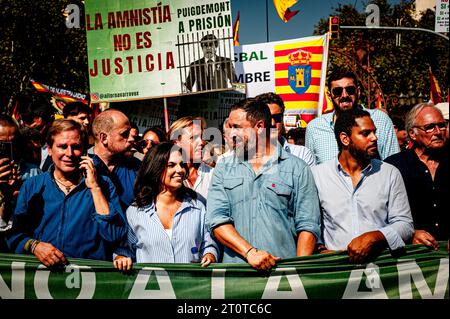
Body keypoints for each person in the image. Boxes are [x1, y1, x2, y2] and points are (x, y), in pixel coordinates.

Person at [206, 98, 321, 270]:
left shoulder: (297, 168)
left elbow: (308, 226)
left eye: (236, 127)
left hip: (282, 280)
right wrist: (250, 252)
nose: (230, 134)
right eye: (229, 127)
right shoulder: (223, 168)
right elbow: (216, 221)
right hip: (237, 278)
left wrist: (297, 273)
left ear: (259, 127)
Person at [5, 119, 126, 265]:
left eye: (75, 147)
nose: (69, 153)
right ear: (49, 149)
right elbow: (14, 235)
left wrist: (95, 188)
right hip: (42, 279)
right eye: (62, 146)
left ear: (84, 150)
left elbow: (115, 235)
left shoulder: (104, 184)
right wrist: (34, 246)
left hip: (89, 280)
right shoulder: (32, 186)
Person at [311, 108, 414, 263]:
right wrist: (320, 249)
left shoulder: (389, 173)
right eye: (365, 133)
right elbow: (310, 224)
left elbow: (405, 225)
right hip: (335, 272)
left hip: (381, 268)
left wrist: (375, 236)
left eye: (374, 132)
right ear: (345, 139)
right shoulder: (317, 176)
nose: (374, 138)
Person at [113, 142, 219, 270]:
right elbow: (125, 250)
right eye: (171, 165)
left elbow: (209, 243)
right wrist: (120, 258)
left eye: (182, 165)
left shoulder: (198, 206)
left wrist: (210, 254)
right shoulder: (135, 212)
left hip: (190, 287)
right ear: (155, 168)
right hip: (152, 288)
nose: (180, 170)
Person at [385, 103, 449, 252]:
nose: (438, 132)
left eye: (442, 125)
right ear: (412, 134)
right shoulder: (394, 166)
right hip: (412, 259)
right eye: (430, 127)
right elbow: (381, 215)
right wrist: (409, 234)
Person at [305, 69, 400, 164]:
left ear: (358, 91)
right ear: (330, 96)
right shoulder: (315, 127)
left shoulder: (380, 119)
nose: (344, 95)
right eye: (337, 91)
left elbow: (393, 164)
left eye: (350, 90)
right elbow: (312, 172)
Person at [90, 109, 141, 211]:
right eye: (124, 134)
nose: (131, 139)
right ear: (104, 138)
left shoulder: (138, 167)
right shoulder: (80, 165)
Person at [255, 92, 315, 166]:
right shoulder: (245, 156)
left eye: (277, 117)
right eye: (267, 118)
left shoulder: (301, 154)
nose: (272, 123)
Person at [168, 116, 212, 202]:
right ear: (176, 142)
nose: (201, 142)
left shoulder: (213, 175)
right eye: (193, 138)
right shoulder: (165, 176)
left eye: (202, 137)